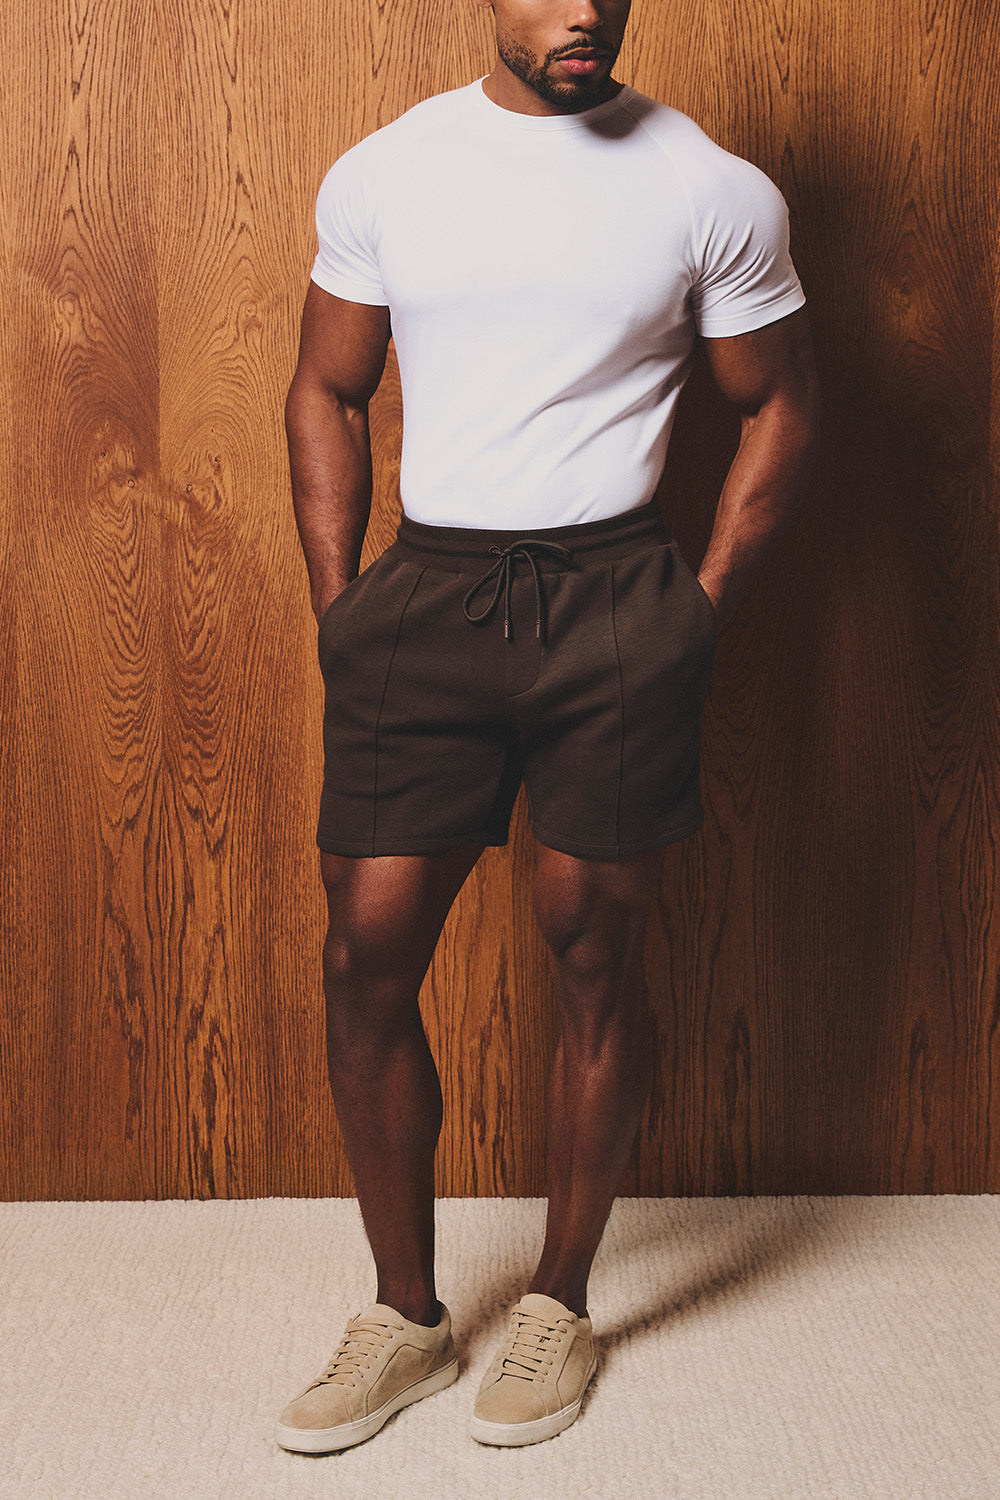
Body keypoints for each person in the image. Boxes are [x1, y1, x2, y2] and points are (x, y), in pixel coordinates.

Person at [276, 0, 818, 1455]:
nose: (585, 11)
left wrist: (697, 606)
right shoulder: (388, 171)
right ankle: (405, 1316)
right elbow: (327, 385)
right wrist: (342, 608)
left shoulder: (707, 186)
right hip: (427, 599)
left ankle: (559, 1306)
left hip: (615, 600)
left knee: (594, 954)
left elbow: (780, 404)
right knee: (364, 955)